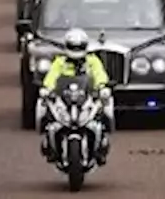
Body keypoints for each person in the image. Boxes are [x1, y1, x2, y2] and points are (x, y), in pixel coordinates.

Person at [37, 28, 114, 165]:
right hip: (65, 97)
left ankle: (101, 146)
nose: (76, 50)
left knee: (104, 110)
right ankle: (50, 145)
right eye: (73, 47)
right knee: (45, 110)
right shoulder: (60, 62)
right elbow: (52, 76)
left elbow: (99, 74)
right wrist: (47, 88)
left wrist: (102, 86)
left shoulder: (92, 60)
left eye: (79, 47)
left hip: (86, 97)